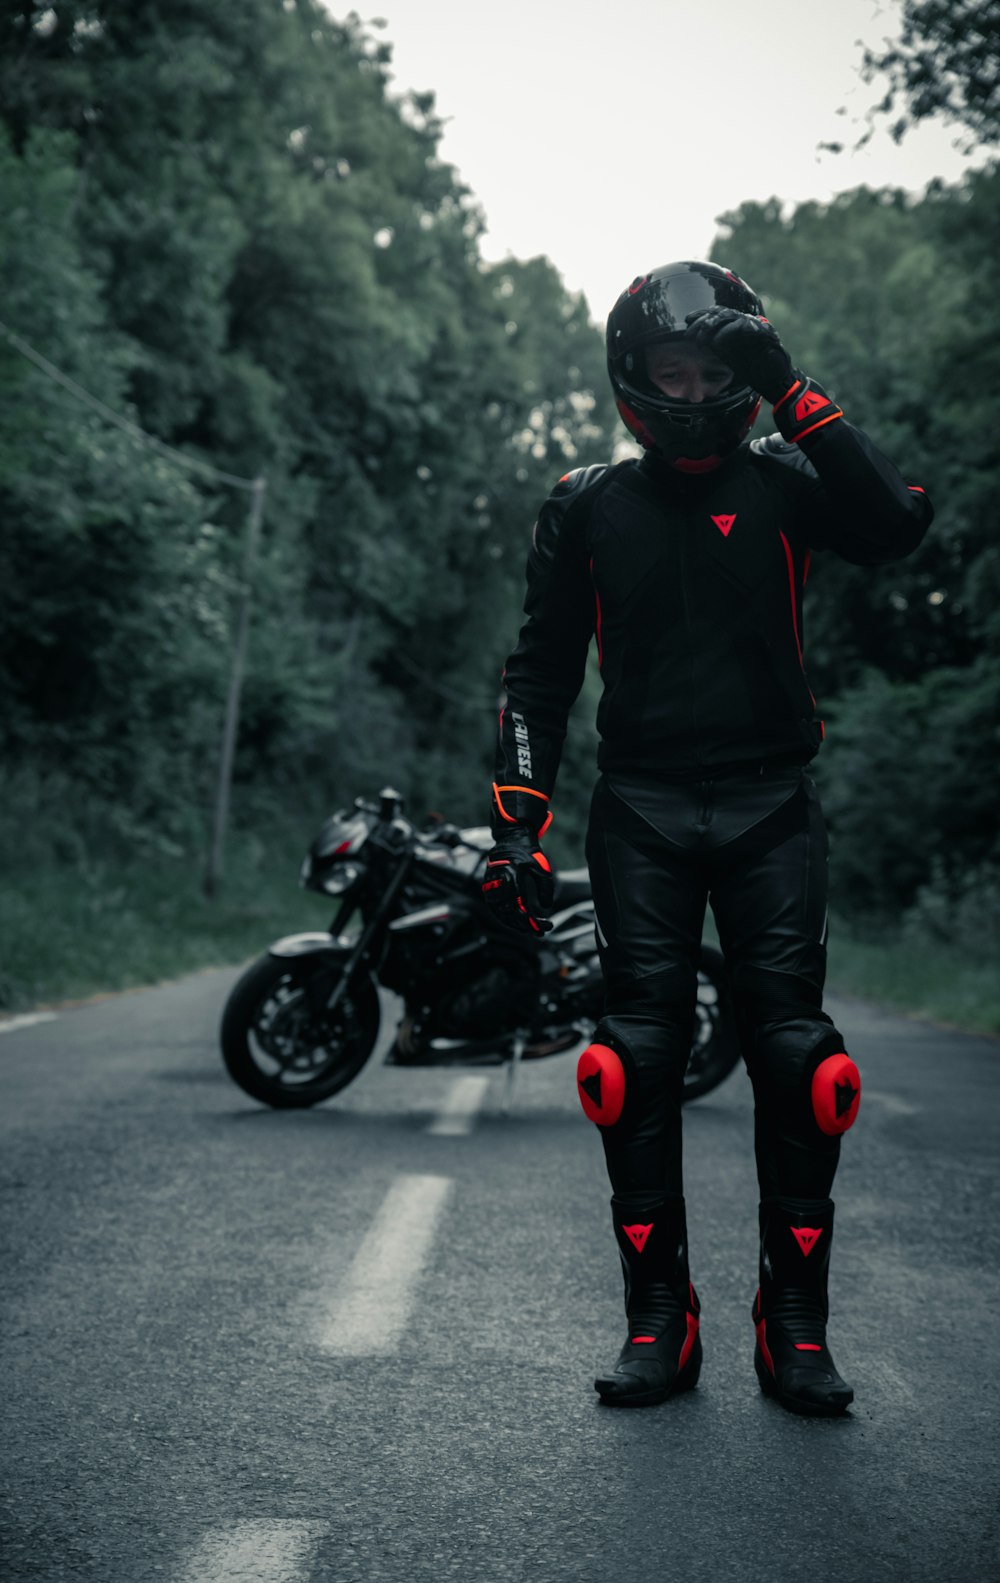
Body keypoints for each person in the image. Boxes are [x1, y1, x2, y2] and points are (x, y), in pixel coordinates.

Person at [482, 260, 932, 1416]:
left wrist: (792, 387)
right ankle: (657, 1320)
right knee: (627, 1060)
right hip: (638, 805)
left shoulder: (788, 481)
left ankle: (793, 1329)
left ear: (747, 373)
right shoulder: (587, 505)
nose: (691, 393)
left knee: (804, 1063)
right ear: (632, 379)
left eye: (714, 371)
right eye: (669, 372)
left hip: (768, 802)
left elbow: (895, 525)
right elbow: (535, 676)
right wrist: (515, 828)